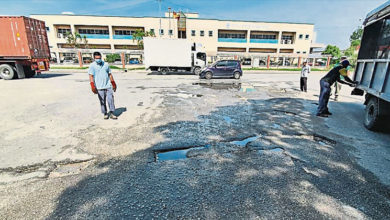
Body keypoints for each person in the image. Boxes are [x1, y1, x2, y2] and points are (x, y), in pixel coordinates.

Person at [89, 52, 118, 120]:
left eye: (99, 58)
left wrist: (113, 83)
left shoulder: (106, 64)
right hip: (99, 87)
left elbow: (110, 74)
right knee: (102, 101)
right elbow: (91, 76)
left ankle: (112, 113)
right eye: (96, 58)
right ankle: (105, 113)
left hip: (108, 86)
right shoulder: (92, 66)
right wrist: (92, 86)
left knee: (110, 100)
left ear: (101, 57)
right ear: (94, 58)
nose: (98, 59)